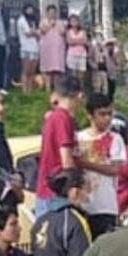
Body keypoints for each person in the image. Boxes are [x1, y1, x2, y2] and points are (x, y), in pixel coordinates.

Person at [75, 93, 128, 237]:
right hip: (81, 203)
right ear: (90, 115)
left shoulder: (115, 139)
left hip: (105, 206)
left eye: (109, 114)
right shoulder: (78, 138)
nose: (107, 118)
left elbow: (114, 169)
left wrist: (85, 164)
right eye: (102, 114)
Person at [35, 76, 83, 216]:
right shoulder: (62, 118)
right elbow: (66, 158)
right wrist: (74, 185)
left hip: (49, 190)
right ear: (79, 95)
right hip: (56, 191)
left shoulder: (54, 117)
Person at [38, 5, 66, 92]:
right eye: (50, 12)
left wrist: (57, 25)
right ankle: (48, 89)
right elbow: (43, 31)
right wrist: (50, 24)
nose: (52, 14)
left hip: (57, 50)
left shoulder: (60, 22)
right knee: (47, 70)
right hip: (47, 49)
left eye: (54, 12)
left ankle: (56, 89)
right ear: (47, 13)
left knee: (56, 70)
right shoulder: (43, 22)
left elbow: (63, 32)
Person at [16, 4, 40, 93]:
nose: (30, 11)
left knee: (32, 71)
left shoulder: (34, 21)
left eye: (31, 9)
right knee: (26, 70)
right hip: (26, 48)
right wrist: (35, 32)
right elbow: (28, 33)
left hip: (35, 47)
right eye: (28, 9)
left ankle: (30, 89)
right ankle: (24, 89)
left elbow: (38, 33)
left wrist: (35, 32)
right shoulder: (21, 20)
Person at [65, 15, 89, 87]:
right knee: (73, 74)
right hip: (72, 55)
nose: (74, 22)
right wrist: (79, 41)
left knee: (81, 75)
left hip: (82, 54)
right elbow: (69, 42)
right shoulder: (68, 31)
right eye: (72, 21)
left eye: (75, 20)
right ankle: (73, 89)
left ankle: (81, 88)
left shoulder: (83, 31)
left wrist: (74, 41)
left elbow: (85, 41)